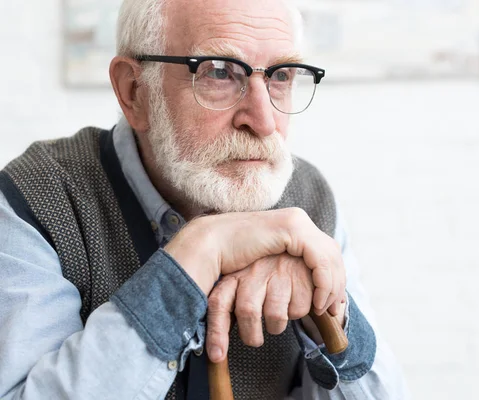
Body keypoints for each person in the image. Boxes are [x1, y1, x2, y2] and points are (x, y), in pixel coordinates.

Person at [0, 0, 404, 398]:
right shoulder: (38, 198)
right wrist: (199, 251)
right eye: (219, 72)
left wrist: (327, 304)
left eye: (281, 75)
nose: (264, 122)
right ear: (134, 91)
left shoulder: (307, 201)